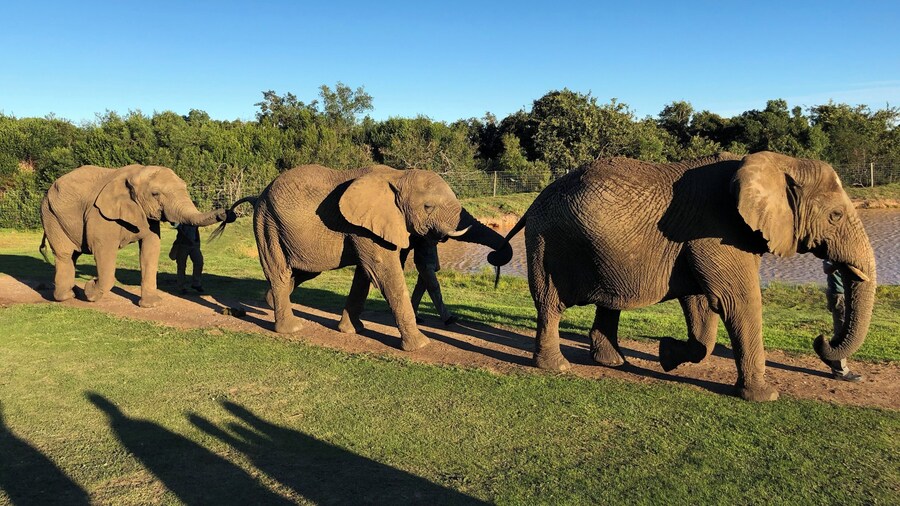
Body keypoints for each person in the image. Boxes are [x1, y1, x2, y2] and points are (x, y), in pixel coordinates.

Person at [822, 260, 863, 382]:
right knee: (842, 333)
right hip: (839, 296)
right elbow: (827, 267)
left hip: (843, 295)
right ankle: (840, 370)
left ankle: (833, 359)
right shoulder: (834, 255)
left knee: (842, 331)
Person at [403, 236, 458, 326]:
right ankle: (446, 317)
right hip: (424, 264)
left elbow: (440, 240)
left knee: (419, 290)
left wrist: (436, 264)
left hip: (429, 263)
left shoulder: (432, 230)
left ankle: (411, 315)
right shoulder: (419, 232)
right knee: (434, 288)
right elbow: (411, 244)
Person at [170, 222, 204, 294]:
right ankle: (181, 286)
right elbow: (174, 223)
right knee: (181, 266)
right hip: (183, 245)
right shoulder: (182, 218)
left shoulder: (195, 219)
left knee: (199, 262)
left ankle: (196, 283)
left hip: (194, 245)